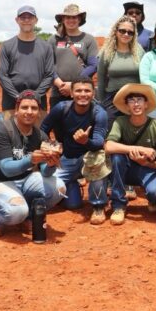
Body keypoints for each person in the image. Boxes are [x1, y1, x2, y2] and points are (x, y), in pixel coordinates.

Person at [0, 90, 65, 238]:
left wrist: (50, 164)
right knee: (17, 211)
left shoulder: (40, 135)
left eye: (34, 108)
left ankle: (28, 217)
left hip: (22, 180)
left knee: (59, 188)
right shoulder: (2, 130)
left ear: (39, 113)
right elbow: (6, 169)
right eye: (24, 107)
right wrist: (31, 159)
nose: (29, 112)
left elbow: (45, 172)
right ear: (16, 110)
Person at [98, 84, 156, 225]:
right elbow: (108, 146)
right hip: (126, 169)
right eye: (131, 100)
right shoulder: (120, 122)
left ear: (146, 104)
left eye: (140, 100)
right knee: (117, 157)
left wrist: (146, 163)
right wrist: (138, 149)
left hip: (149, 169)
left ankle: (152, 200)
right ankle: (118, 205)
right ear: (127, 106)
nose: (136, 104)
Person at [40, 78, 108, 211]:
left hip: (91, 158)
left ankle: (98, 206)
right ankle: (71, 184)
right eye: (78, 91)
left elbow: (99, 143)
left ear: (93, 94)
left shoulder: (99, 113)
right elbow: (43, 129)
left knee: (99, 163)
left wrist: (86, 141)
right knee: (69, 202)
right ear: (71, 93)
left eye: (87, 91)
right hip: (68, 158)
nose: (83, 94)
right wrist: (51, 146)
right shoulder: (61, 108)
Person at [0, 5, 56, 120]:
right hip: (11, 104)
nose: (26, 20)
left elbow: (49, 75)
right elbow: (2, 76)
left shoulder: (46, 47)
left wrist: (36, 96)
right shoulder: (7, 46)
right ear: (17, 20)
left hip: (38, 104)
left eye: (30, 17)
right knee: (11, 131)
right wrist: (17, 96)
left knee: (37, 132)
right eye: (23, 17)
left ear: (36, 20)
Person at [97, 16, 144, 127]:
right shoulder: (107, 52)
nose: (126, 34)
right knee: (111, 129)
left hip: (135, 98)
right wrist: (102, 102)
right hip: (113, 99)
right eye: (122, 31)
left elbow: (145, 76)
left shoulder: (139, 51)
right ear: (116, 31)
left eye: (130, 32)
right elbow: (101, 78)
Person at [49, 4, 99, 108]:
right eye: (68, 17)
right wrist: (60, 84)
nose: (71, 20)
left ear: (79, 19)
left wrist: (74, 84)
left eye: (74, 17)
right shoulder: (53, 39)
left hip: (82, 92)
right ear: (63, 19)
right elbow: (47, 65)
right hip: (58, 91)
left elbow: (93, 65)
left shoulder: (89, 39)